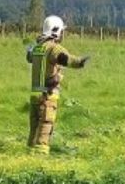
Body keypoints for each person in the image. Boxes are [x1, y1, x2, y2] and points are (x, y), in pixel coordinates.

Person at [26, 15, 89, 154]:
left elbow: (29, 56)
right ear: (56, 31)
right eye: (61, 31)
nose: (62, 34)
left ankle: (29, 157)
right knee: (45, 130)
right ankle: (40, 163)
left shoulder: (37, 48)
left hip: (34, 96)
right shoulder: (53, 48)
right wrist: (80, 62)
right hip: (47, 97)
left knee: (34, 131)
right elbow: (65, 59)